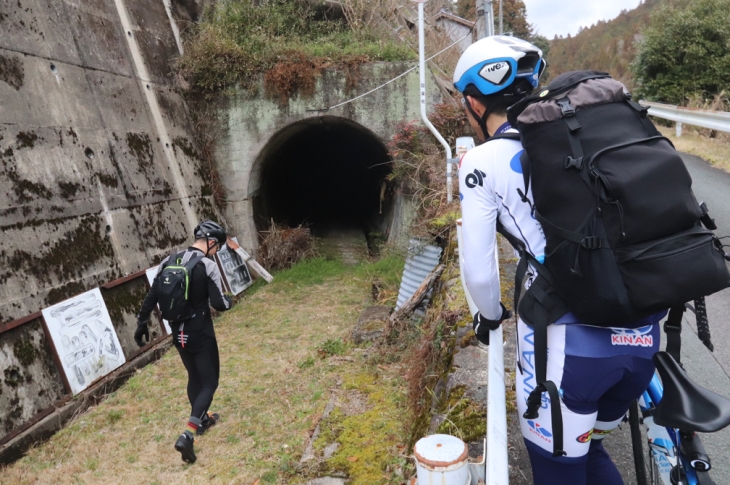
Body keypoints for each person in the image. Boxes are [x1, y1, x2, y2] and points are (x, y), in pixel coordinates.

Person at [454, 36, 663, 484]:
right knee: (591, 454)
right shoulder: (587, 138)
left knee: (561, 472)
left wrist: (489, 318)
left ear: (473, 102)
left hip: (567, 354)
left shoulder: (483, 159)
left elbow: (478, 269)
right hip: (642, 336)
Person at [135, 220, 232, 464]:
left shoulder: (168, 261)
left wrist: (141, 323)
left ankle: (203, 422)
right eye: (217, 246)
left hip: (177, 332)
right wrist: (229, 302)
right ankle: (188, 434)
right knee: (210, 382)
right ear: (210, 242)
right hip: (200, 332)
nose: (216, 251)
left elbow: (152, 295)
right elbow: (219, 304)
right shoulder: (206, 266)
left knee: (194, 377)